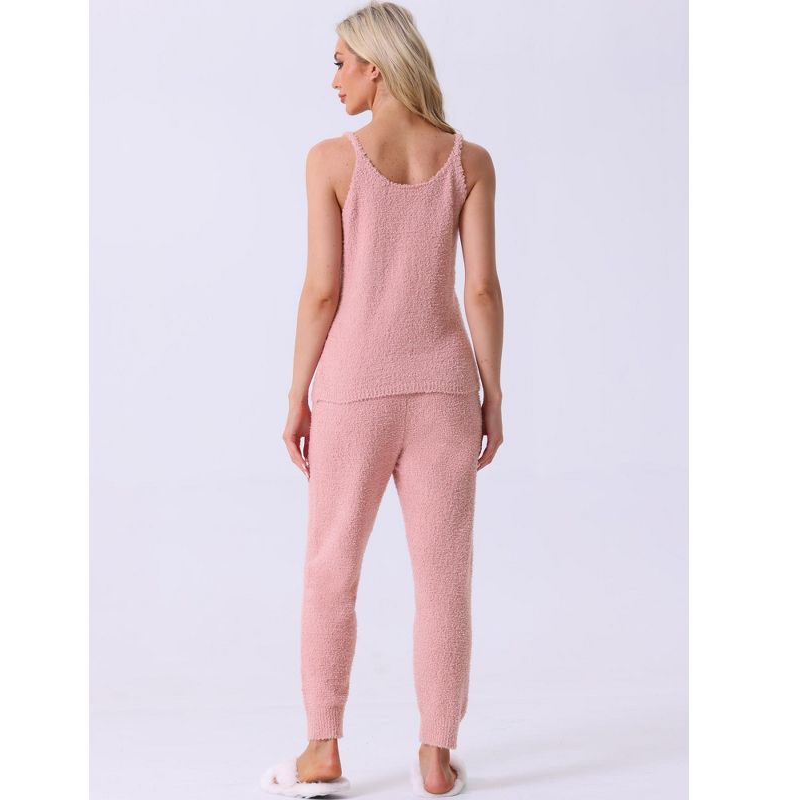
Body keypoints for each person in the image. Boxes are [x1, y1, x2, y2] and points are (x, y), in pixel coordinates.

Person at [262, 2, 503, 797]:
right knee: (445, 579)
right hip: (444, 391)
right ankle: (435, 756)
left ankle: (322, 748)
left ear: (375, 64)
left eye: (340, 62)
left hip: (352, 393)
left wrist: (297, 393)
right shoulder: (470, 161)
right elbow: (481, 289)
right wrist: (492, 392)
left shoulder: (330, 161)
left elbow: (321, 292)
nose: (333, 80)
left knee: (330, 568)